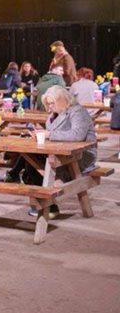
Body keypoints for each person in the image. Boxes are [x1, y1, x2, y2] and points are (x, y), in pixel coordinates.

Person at [25, 86, 97, 217]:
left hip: (81, 155)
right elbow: (52, 135)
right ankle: (48, 205)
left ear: (62, 100)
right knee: (29, 159)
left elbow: (77, 135)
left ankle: (49, 206)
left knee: (33, 162)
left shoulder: (77, 111)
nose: (50, 107)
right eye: (48, 104)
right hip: (60, 152)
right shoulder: (53, 115)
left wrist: (48, 134)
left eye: (52, 103)